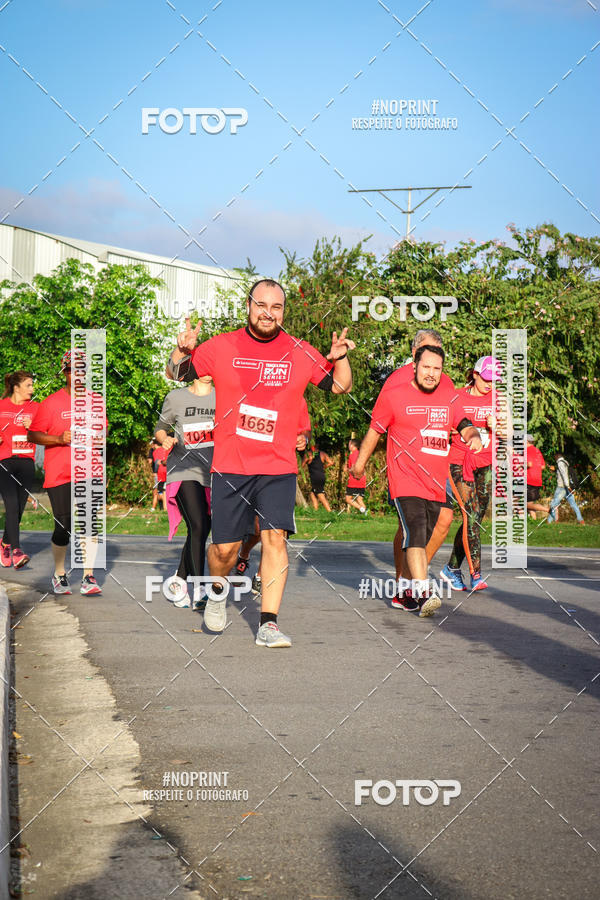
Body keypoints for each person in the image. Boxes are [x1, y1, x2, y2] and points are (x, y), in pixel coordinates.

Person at [167, 278, 354, 647]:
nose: (268, 313)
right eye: (261, 305)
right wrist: (179, 352)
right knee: (224, 549)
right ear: (249, 306)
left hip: (278, 465)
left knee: (275, 539)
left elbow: (341, 386)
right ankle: (217, 591)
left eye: (276, 307)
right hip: (232, 465)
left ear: (284, 312)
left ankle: (268, 623)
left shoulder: (300, 350)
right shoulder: (221, 346)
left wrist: (341, 356)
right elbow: (176, 374)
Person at [352, 345, 482, 616]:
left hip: (434, 483)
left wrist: (473, 436)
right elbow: (375, 431)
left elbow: (464, 423)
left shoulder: (448, 397)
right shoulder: (394, 396)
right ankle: (423, 591)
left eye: (437, 368)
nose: (431, 373)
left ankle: (405, 591)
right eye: (426, 367)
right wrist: (360, 465)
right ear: (414, 365)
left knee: (424, 535)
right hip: (405, 479)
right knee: (415, 531)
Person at [375, 329, 456, 602]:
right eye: (426, 351)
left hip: (436, 465)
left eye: (437, 351)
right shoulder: (397, 380)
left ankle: (413, 578)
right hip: (406, 467)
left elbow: (454, 417)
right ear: (414, 355)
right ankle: (407, 583)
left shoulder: (446, 383)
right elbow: (382, 420)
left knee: (443, 520)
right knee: (410, 525)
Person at [28, 351, 106, 596]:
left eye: (82, 369)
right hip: (60, 472)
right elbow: (33, 435)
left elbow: (101, 434)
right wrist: (59, 438)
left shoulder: (97, 401)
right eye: (72, 370)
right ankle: (60, 573)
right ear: (64, 372)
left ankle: (87, 575)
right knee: (64, 524)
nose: (77, 374)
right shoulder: (51, 403)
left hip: (89, 472)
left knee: (90, 523)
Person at [441, 356, 506, 592]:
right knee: (471, 513)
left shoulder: (498, 399)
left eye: (494, 380)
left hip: (486, 463)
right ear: (475, 374)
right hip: (459, 461)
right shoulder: (456, 396)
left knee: (476, 517)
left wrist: (497, 426)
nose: (490, 384)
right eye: (487, 378)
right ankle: (476, 574)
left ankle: (451, 568)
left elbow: (510, 432)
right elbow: (442, 423)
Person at [155, 376, 216, 608]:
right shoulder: (176, 397)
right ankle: (199, 589)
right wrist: (166, 439)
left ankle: (178, 581)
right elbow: (160, 428)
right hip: (183, 469)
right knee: (198, 526)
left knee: (200, 530)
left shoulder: (223, 396)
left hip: (212, 473)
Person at [0, 371, 39, 568]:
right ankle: (16, 551)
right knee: (12, 505)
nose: (32, 390)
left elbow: (46, 434)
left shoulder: (36, 409)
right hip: (4, 461)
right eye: (29, 385)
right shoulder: (1, 406)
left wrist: (34, 428)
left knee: (19, 508)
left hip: (26, 462)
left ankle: (5, 543)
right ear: (16, 387)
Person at [547, 452, 584, 525]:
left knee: (553, 504)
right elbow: (562, 473)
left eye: (555, 457)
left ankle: (552, 520)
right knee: (573, 504)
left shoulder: (560, 463)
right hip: (567, 487)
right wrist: (554, 469)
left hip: (562, 487)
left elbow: (564, 475)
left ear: (557, 456)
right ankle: (581, 520)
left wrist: (568, 486)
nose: (554, 458)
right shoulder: (565, 463)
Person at [304, 443, 334, 511]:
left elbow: (302, 465)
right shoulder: (322, 453)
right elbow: (331, 462)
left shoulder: (308, 454)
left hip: (315, 478)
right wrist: (324, 467)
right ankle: (315, 511)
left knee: (321, 496)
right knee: (312, 494)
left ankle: (330, 512)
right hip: (321, 476)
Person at [526, 434, 549, 520]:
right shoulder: (537, 451)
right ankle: (534, 521)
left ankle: (547, 509)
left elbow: (529, 464)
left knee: (525, 504)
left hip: (529, 479)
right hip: (537, 480)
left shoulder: (526, 450)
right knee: (530, 502)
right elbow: (543, 466)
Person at [345, 438, 367, 514]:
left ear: (352, 445)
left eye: (349, 444)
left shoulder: (353, 455)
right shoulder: (361, 454)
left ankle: (361, 508)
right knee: (359, 499)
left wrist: (347, 470)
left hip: (354, 480)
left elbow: (355, 468)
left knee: (348, 499)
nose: (348, 446)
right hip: (362, 480)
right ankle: (365, 515)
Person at [147, 438, 168, 511]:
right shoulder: (166, 449)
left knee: (159, 491)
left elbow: (156, 463)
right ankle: (165, 507)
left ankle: (164, 507)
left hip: (161, 473)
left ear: (155, 444)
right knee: (166, 490)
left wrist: (155, 472)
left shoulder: (155, 452)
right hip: (169, 471)